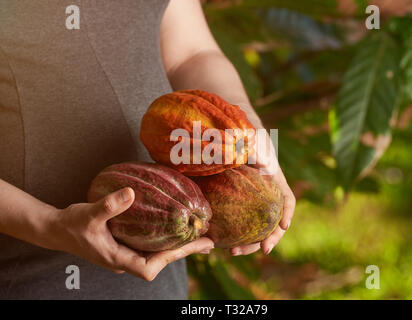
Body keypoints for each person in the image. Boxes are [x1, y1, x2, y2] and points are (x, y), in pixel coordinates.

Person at [0, 0, 295, 299]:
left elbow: (191, 54)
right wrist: (48, 224)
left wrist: (247, 129)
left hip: (161, 257)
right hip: (29, 274)